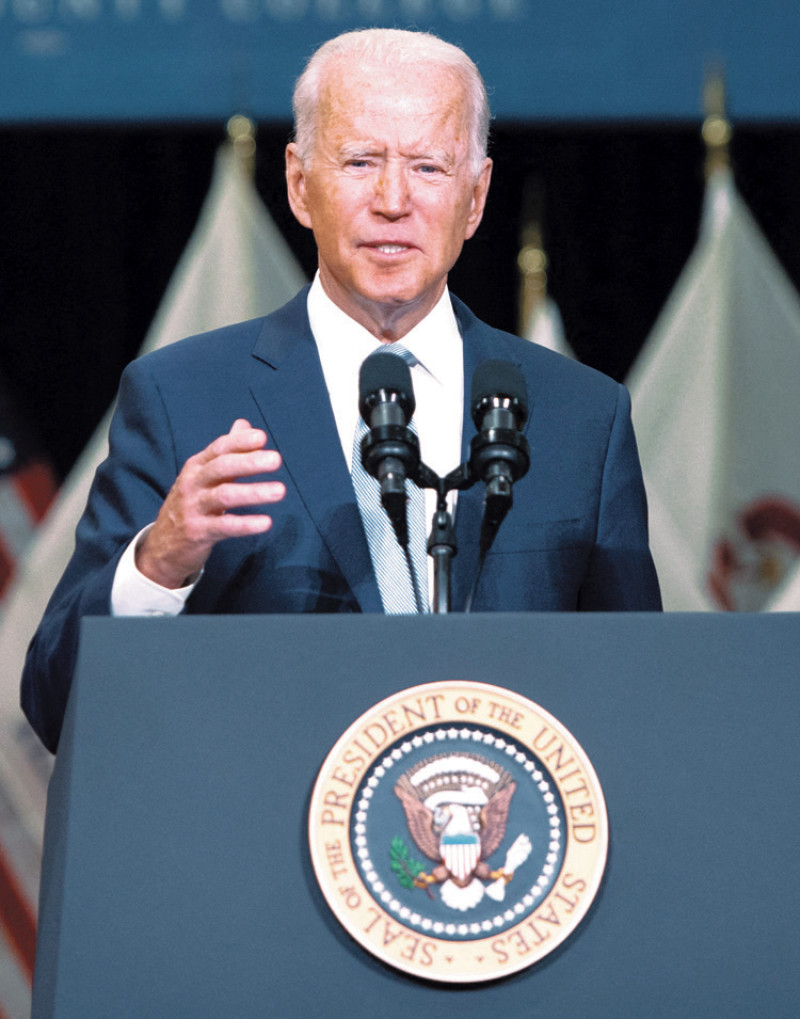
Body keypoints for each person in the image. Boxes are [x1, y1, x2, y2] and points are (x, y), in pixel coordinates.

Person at [21, 29, 661, 753]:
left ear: (476, 198)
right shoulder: (182, 399)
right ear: (300, 184)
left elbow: (639, 703)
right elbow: (54, 703)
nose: (393, 200)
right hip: (261, 851)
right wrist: (159, 563)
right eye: (361, 162)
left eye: (428, 166)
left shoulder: (582, 417)